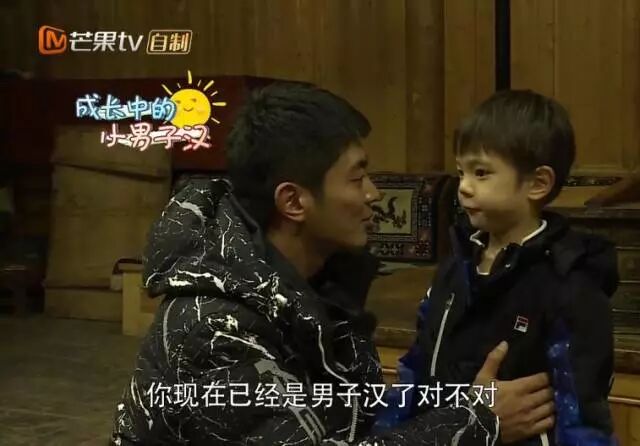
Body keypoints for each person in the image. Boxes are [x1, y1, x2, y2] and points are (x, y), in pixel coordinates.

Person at [111, 82, 555, 445]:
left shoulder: (320, 282)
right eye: (357, 178)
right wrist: (478, 423)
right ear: (293, 201)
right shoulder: (212, 330)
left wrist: (456, 399)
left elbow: (356, 417)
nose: (373, 195)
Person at [378, 90, 617, 445]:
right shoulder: (455, 266)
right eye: (461, 172)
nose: (463, 187)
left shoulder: (568, 282)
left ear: (538, 183)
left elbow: (582, 410)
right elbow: (416, 367)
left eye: (481, 173)